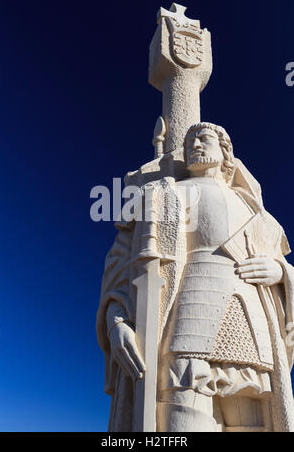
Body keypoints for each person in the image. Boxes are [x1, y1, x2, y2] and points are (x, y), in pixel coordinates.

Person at [97, 122, 294, 432]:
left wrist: (281, 273)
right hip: (188, 321)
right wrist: (116, 320)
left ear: (226, 151)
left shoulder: (256, 213)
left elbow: (282, 263)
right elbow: (121, 262)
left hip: (252, 328)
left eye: (204, 138)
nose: (195, 145)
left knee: (255, 424)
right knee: (182, 423)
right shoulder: (164, 194)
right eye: (189, 141)